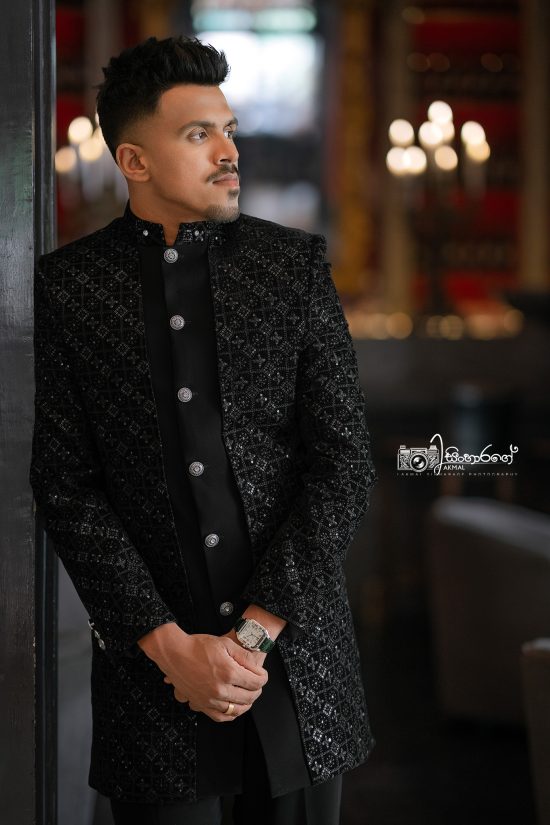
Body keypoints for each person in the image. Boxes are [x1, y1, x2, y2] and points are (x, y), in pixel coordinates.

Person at [29, 35, 378, 825]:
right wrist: (169, 645)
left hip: (297, 673)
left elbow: (344, 465)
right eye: (199, 134)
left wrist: (252, 636)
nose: (230, 152)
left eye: (229, 130)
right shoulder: (69, 288)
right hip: (153, 686)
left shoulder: (292, 268)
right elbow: (65, 484)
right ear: (134, 160)